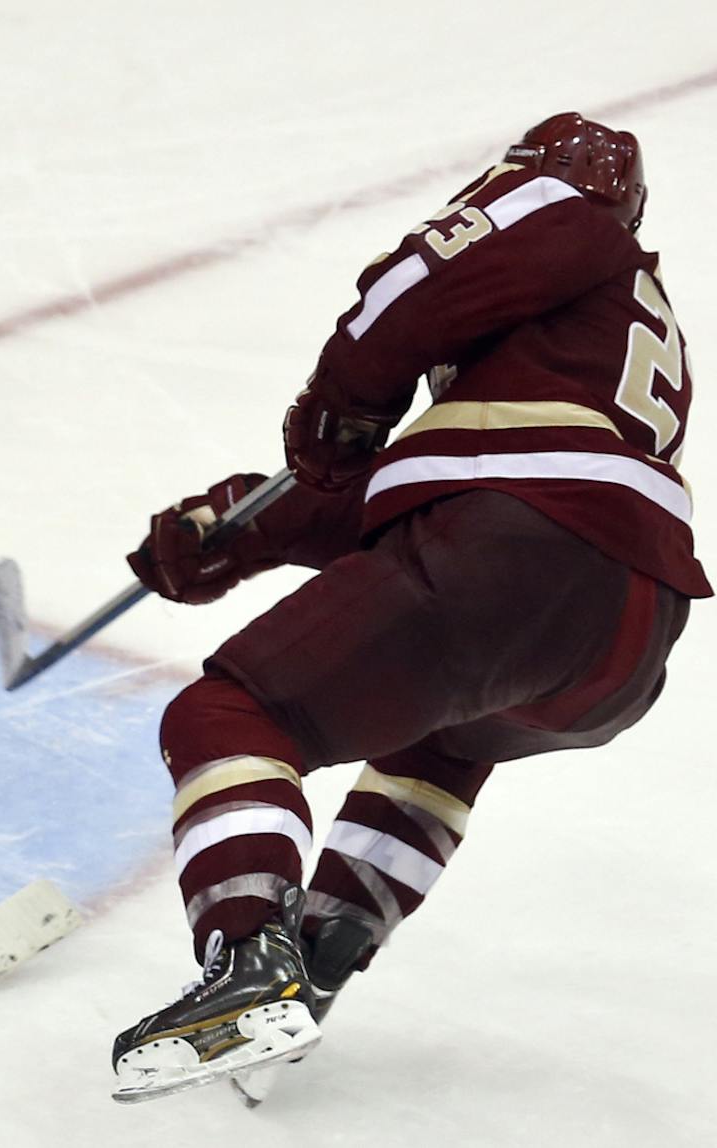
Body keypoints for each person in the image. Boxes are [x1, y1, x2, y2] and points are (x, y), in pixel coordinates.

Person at [107, 113, 702, 1104]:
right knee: (445, 735)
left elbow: (414, 289)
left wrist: (341, 403)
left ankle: (250, 959)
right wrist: (235, 530)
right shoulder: (608, 335)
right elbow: (424, 502)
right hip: (626, 639)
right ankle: (323, 951)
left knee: (231, 716)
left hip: (521, 549)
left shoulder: (568, 205)